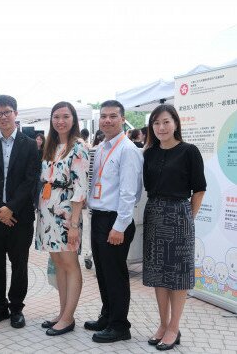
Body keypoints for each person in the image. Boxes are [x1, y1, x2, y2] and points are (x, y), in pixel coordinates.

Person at [142, 104, 206, 351]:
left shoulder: (189, 151)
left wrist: (188, 217)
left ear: (176, 123)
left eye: (166, 122)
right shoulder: (149, 153)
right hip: (154, 213)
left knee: (178, 276)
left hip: (179, 214)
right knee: (159, 273)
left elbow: (199, 189)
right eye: (156, 123)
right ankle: (162, 324)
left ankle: (174, 327)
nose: (161, 127)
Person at [0, 95, 39, 329]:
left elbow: (30, 180)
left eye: (7, 112)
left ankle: (16, 308)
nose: (3, 116)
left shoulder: (29, 143)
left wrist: (11, 207)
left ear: (15, 113)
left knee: (19, 264)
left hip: (20, 216)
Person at [85, 100, 143, 343]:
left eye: (113, 116)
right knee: (103, 272)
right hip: (99, 217)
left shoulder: (127, 149)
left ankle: (120, 325)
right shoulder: (102, 147)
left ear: (122, 119)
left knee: (116, 274)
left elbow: (129, 193)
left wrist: (119, 226)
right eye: (104, 116)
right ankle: (107, 315)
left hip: (115, 221)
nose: (107, 120)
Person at [36, 102, 89, 336]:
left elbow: (80, 187)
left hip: (67, 213)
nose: (60, 121)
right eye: (56, 116)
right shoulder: (52, 145)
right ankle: (62, 312)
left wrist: (75, 222)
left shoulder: (79, 147)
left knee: (70, 264)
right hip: (48, 210)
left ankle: (68, 318)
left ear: (73, 119)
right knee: (58, 264)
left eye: (65, 116)